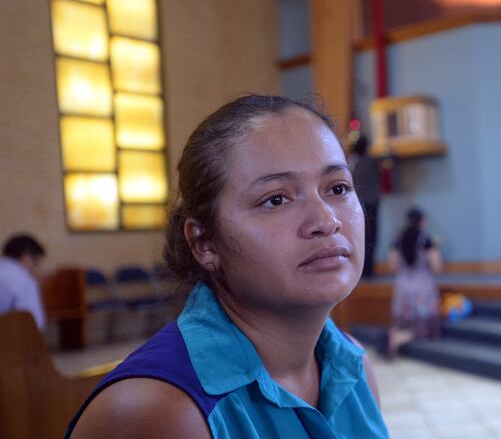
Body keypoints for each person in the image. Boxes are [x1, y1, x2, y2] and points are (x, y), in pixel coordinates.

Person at [67, 95, 389, 438]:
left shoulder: (354, 366)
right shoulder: (157, 412)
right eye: (276, 199)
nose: (326, 220)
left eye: (338, 188)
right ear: (204, 243)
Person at [385, 207, 442, 356]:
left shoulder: (398, 239)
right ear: (422, 221)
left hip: (403, 284)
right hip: (422, 286)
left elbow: (392, 266)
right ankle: (397, 340)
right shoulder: (426, 239)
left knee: (403, 322)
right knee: (420, 328)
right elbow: (436, 266)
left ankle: (394, 334)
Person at [348, 134, 380, 278]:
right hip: (372, 202)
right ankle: (368, 270)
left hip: (357, 203)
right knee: (372, 236)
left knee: (361, 236)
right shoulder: (370, 160)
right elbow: (390, 158)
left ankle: (360, 271)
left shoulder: (351, 161)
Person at [0, 234, 46, 331]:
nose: (35, 267)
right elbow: (34, 321)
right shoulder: (22, 278)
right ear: (26, 256)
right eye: (36, 261)